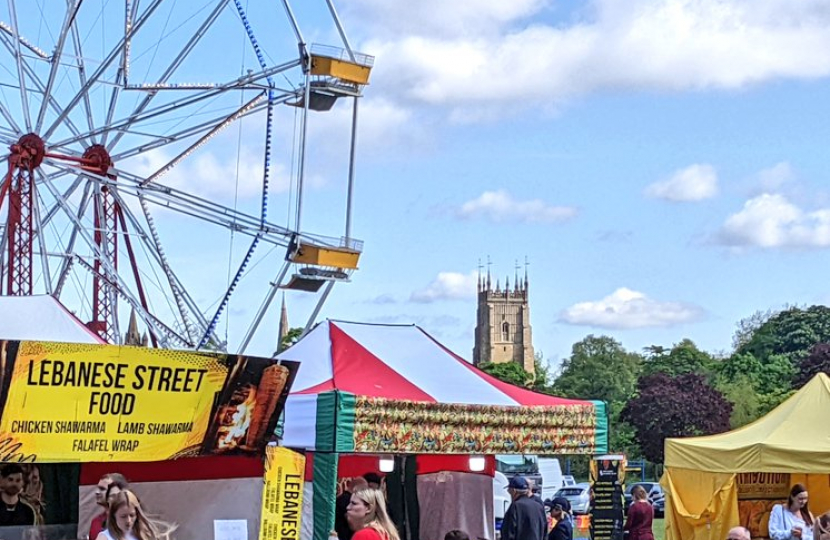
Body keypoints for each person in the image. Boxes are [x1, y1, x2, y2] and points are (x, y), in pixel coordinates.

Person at [95, 490, 174, 540]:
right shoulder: (104, 537)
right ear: (113, 516)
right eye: (123, 516)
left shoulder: (144, 535)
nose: (128, 520)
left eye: (132, 515)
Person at [89, 473, 129, 540]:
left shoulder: (129, 521)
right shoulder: (96, 522)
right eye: (98, 488)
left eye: (102, 489)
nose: (97, 492)